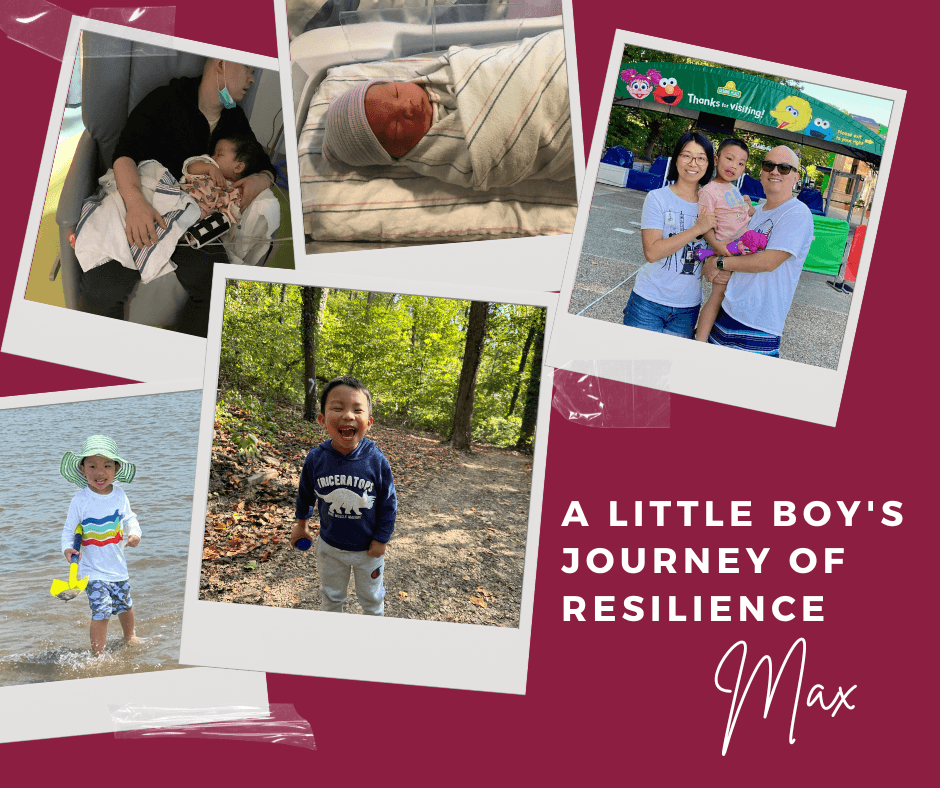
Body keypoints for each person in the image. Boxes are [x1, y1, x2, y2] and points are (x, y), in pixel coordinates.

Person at [78, 59, 276, 336]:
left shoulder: (234, 118)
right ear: (221, 63)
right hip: (146, 194)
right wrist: (135, 203)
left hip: (191, 216)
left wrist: (261, 178)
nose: (252, 80)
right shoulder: (165, 100)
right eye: (249, 69)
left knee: (216, 286)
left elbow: (262, 162)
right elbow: (124, 155)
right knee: (102, 289)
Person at [291, 377, 397, 616]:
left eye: (357, 410)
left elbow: (388, 503)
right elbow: (306, 494)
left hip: (368, 551)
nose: (348, 416)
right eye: (337, 408)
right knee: (331, 597)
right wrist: (301, 525)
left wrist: (381, 539)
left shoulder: (376, 461)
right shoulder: (316, 459)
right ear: (322, 420)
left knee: (371, 598)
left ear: (368, 423)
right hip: (330, 547)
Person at [701, 145, 814, 357]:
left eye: (784, 168)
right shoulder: (756, 212)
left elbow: (768, 262)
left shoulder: (798, 213)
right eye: (769, 165)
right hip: (726, 312)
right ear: (761, 172)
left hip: (759, 325)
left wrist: (718, 263)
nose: (775, 171)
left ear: (796, 176)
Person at [622, 131, 717, 337]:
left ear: (709, 164)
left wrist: (743, 213)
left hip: (687, 308)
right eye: (686, 156)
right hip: (648, 303)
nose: (693, 163)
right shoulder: (657, 198)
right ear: (676, 160)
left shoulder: (712, 204)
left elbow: (719, 248)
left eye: (701, 158)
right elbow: (652, 252)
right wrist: (697, 229)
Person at [59, 435, 140, 655]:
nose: (99, 472)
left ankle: (129, 636)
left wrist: (135, 533)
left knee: (125, 605)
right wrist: (68, 548)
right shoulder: (80, 500)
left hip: (117, 567)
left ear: (116, 468)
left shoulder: (120, 496)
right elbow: (69, 529)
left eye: (106, 466)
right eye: (92, 466)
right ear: (82, 469)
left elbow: (130, 518)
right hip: (92, 571)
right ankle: (98, 654)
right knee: (101, 611)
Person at [692, 138, 762, 342]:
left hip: (739, 250)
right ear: (716, 159)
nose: (734, 166)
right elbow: (705, 226)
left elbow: (739, 217)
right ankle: (700, 340)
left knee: (729, 297)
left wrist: (748, 208)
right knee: (717, 297)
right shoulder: (708, 192)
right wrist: (717, 247)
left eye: (740, 163)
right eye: (729, 159)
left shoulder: (733, 189)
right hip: (726, 251)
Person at [322, 79, 433, 165]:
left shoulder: (429, 78)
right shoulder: (431, 154)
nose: (406, 106)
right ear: (397, 156)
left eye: (396, 92)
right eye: (396, 128)